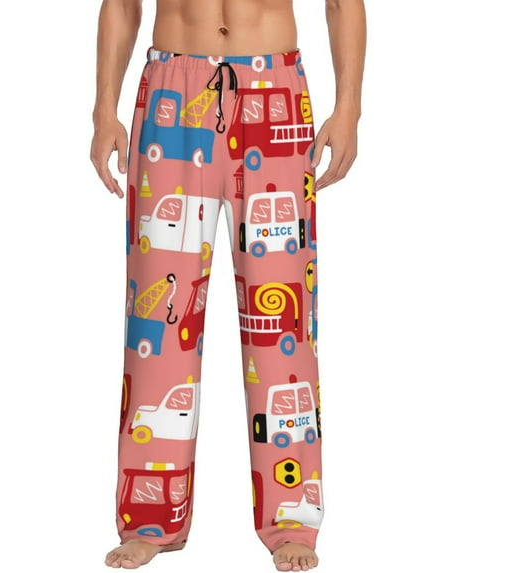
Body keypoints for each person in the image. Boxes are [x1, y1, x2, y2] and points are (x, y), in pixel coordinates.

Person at [90, 0, 366, 570]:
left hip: (274, 90)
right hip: (172, 92)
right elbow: (121, 3)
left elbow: (342, 3)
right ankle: (150, 517)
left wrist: (349, 108)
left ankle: (292, 518)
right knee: (158, 327)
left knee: (284, 328)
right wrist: (103, 109)